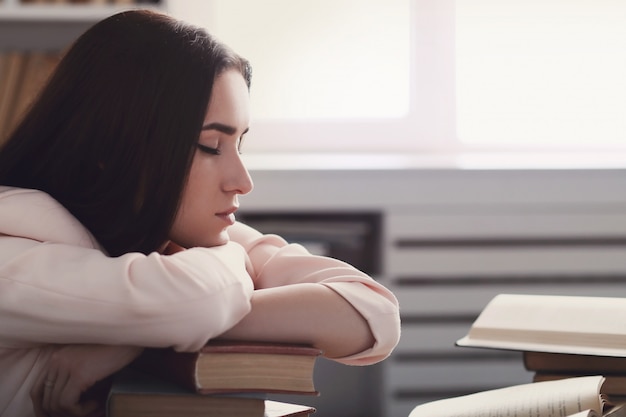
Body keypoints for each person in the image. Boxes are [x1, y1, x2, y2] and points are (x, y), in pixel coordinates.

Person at [0, 9, 401, 417]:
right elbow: (196, 301)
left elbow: (372, 314)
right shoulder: (13, 250)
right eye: (211, 146)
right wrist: (171, 319)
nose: (242, 181)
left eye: (239, 144)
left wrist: (131, 338)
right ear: (110, 150)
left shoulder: (176, 234)